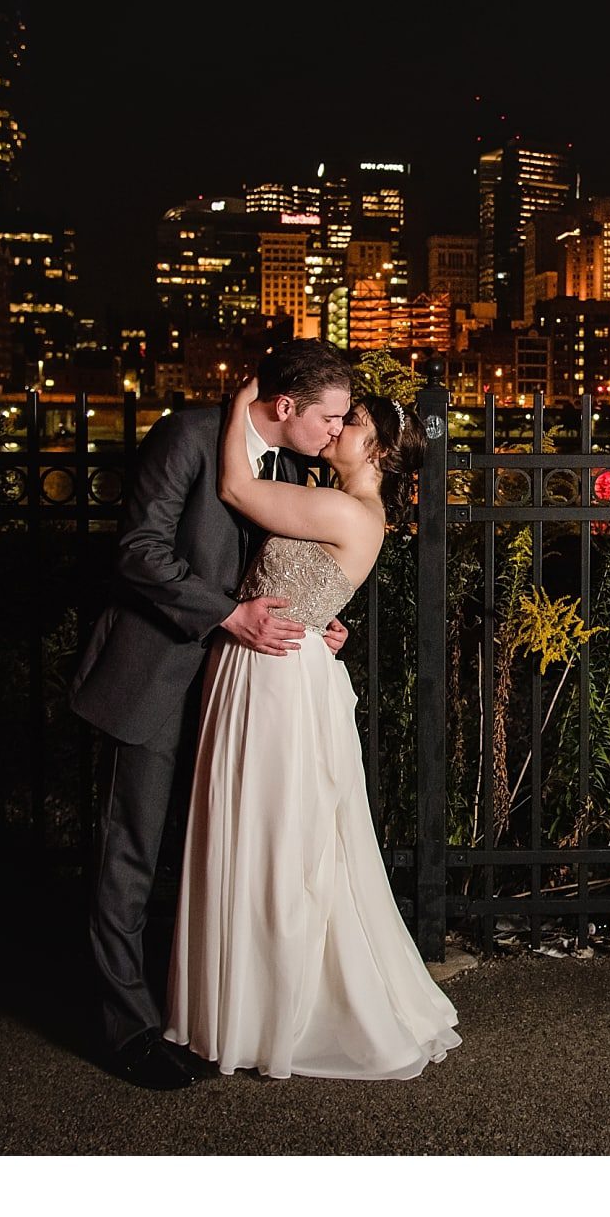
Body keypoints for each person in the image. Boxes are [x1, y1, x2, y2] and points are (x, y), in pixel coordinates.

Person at [69, 339, 354, 1090]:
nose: (336, 431)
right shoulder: (188, 434)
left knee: (213, 854)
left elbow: (284, 566)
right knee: (129, 852)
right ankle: (125, 1030)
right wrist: (228, 615)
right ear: (286, 406)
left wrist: (318, 620)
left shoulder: (292, 461)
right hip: (156, 672)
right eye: (329, 417)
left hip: (241, 688)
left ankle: (197, 1015)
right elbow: (139, 550)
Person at [163, 375, 460, 1080]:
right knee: (267, 830)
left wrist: (242, 404)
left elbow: (236, 489)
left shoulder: (348, 509)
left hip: (277, 674)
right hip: (275, 661)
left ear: (377, 450)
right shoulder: (341, 502)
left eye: (349, 424)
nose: (335, 429)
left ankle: (263, 1009)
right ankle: (250, 1002)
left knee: (270, 833)